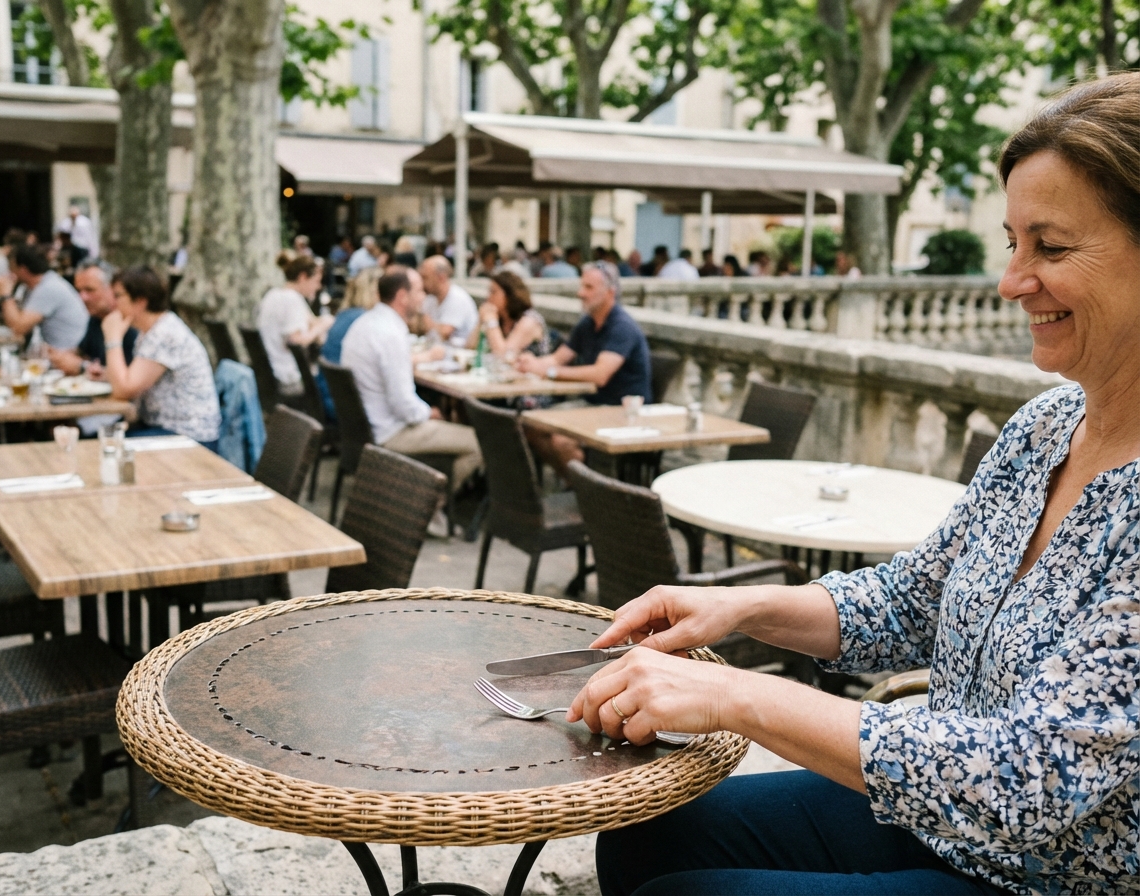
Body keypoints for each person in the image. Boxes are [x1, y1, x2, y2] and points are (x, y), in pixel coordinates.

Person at [576, 72, 1140, 896]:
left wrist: (736, 694)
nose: (1012, 280)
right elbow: (914, 602)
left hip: (1055, 878)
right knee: (642, 830)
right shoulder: (1044, 426)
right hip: (941, 822)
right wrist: (740, 608)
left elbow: (1029, 782)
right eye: (1013, 244)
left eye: (1050, 248)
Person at [340, 266, 482, 505]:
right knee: (481, 442)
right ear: (402, 296)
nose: (423, 296)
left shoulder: (365, 323)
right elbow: (403, 406)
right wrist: (429, 413)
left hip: (365, 427)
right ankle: (426, 506)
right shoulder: (390, 333)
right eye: (418, 291)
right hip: (389, 432)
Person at [516, 261, 651, 472]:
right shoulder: (588, 323)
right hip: (592, 403)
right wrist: (531, 363)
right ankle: (573, 481)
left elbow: (600, 375)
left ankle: (585, 489)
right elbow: (557, 358)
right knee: (529, 424)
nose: (580, 293)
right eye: (582, 286)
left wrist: (548, 372)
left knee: (562, 440)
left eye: (588, 287)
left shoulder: (622, 326)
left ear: (609, 292)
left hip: (620, 409)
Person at [102, 266, 221, 448]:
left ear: (140, 301)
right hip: (164, 429)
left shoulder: (164, 334)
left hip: (188, 436)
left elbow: (123, 390)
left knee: (108, 447)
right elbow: (130, 382)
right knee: (101, 440)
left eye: (117, 295)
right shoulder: (151, 331)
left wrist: (113, 339)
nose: (112, 303)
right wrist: (104, 375)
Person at [256, 255, 334, 397]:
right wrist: (321, 326)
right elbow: (296, 340)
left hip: (270, 373)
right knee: (332, 386)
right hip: (288, 378)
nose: (318, 287)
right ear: (303, 277)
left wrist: (317, 325)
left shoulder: (273, 294)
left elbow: (314, 326)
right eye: (316, 281)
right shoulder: (291, 299)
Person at [48, 259, 138, 375]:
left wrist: (82, 367)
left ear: (112, 289)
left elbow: (130, 378)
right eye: (79, 290)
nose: (82, 297)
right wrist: (60, 355)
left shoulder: (130, 323)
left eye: (89, 290)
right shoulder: (96, 318)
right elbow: (82, 353)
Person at [0, 243, 89, 350]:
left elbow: (18, 328)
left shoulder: (48, 288)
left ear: (23, 269)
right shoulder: (37, 285)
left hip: (68, 351)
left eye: (11, 268)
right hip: (58, 350)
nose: (9, 272)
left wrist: (5, 294)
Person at [465, 270, 549, 359]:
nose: (488, 297)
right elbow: (470, 347)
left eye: (493, 292)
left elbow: (503, 356)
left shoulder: (529, 320)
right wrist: (480, 321)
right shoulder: (500, 318)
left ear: (509, 295)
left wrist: (491, 322)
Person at [321, 265, 382, 364]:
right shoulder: (364, 319)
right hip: (343, 371)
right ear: (375, 291)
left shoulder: (345, 314)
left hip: (330, 372)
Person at [419, 255, 479, 347]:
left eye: (425, 277)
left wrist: (423, 316)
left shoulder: (457, 298)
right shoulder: (431, 298)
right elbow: (418, 326)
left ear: (441, 277)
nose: (422, 282)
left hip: (460, 352)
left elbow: (445, 333)